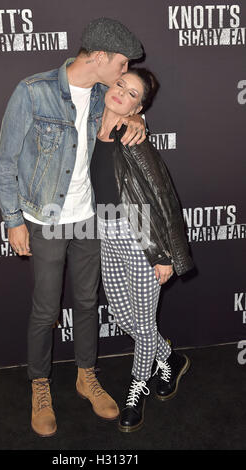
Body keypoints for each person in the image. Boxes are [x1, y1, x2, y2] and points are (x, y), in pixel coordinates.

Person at [0, 18, 146, 437]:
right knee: (45, 309)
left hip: (88, 218)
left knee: (85, 302)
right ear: (99, 57)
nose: (123, 72)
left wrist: (138, 120)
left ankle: (85, 375)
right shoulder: (32, 91)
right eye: (121, 63)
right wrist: (13, 221)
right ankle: (40, 385)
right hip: (43, 220)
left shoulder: (104, 95)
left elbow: (124, 114)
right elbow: (6, 162)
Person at [89, 69, 194, 433]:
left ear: (140, 105)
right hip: (105, 235)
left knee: (144, 324)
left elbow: (162, 195)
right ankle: (171, 358)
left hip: (139, 240)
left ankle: (137, 388)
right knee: (121, 314)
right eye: (120, 84)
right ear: (109, 84)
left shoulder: (134, 137)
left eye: (132, 94)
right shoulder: (93, 127)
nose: (122, 94)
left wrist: (163, 255)